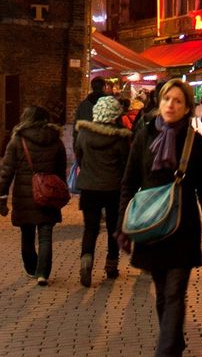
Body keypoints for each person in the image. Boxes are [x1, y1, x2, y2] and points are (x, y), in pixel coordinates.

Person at [121, 78, 202, 357]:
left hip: (182, 227)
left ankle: (165, 351)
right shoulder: (144, 136)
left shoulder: (195, 142)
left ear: (187, 108)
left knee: (175, 292)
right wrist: (122, 226)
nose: (171, 105)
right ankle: (174, 343)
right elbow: (129, 182)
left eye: (178, 101)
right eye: (167, 99)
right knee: (163, 294)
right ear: (159, 101)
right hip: (151, 226)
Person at [0, 105, 68, 285]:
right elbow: (61, 171)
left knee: (27, 234)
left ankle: (31, 268)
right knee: (45, 235)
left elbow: (7, 172)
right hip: (48, 193)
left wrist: (1, 196)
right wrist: (61, 191)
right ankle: (43, 273)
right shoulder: (56, 141)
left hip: (25, 194)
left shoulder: (18, 141)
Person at [75, 94, 133, 287]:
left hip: (89, 187)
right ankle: (111, 265)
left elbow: (79, 157)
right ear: (115, 114)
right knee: (113, 228)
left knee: (90, 227)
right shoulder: (121, 137)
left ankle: (86, 259)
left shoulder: (84, 133)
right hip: (113, 188)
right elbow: (125, 164)